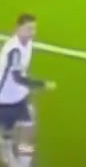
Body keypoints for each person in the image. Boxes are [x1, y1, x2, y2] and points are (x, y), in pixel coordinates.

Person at [0, 15, 56, 167]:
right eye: (28, 29)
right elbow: (18, 78)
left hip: (19, 96)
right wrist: (42, 84)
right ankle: (6, 148)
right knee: (10, 128)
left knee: (28, 130)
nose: (32, 32)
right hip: (5, 100)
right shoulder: (14, 51)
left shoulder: (28, 43)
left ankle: (23, 162)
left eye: (34, 28)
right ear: (18, 29)